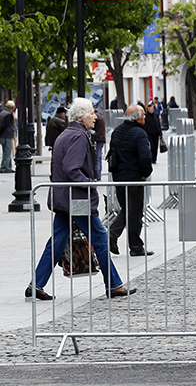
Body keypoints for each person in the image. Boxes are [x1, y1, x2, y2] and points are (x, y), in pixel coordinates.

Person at [25, 98, 136, 301]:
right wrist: (90, 184)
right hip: (77, 199)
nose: (95, 117)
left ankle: (36, 285)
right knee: (101, 238)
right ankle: (114, 285)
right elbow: (71, 168)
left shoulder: (68, 133)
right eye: (92, 113)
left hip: (65, 198)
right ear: (82, 116)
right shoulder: (78, 136)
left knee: (57, 242)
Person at [108, 105, 154, 257]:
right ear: (138, 118)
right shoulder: (139, 133)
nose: (145, 117)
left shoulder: (117, 131)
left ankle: (120, 238)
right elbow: (145, 157)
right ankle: (130, 244)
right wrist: (145, 174)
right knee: (134, 212)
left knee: (128, 210)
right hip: (134, 178)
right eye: (144, 115)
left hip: (118, 178)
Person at [0, 101, 14, 173]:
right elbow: (4, 126)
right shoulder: (8, 114)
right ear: (12, 107)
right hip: (7, 135)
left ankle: (8, 167)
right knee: (7, 152)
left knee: (7, 152)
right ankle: (4, 167)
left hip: (3, 135)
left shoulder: (3, 112)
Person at [92, 110, 106, 179]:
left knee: (97, 156)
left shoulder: (96, 117)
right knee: (99, 156)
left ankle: (97, 174)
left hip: (98, 138)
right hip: (101, 138)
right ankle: (98, 173)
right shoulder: (100, 116)